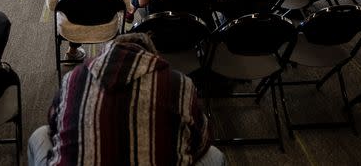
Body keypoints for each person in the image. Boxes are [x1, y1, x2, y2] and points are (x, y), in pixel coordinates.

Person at [28, 33, 222, 166]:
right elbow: (202, 142)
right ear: (151, 57)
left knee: (39, 134)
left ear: (108, 53)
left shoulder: (73, 78)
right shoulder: (181, 84)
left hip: (69, 28)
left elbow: (54, 126)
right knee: (215, 156)